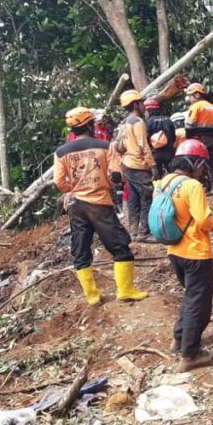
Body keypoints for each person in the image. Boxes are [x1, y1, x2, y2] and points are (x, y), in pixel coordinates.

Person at [55, 107, 148, 306]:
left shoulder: (61, 152)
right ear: (90, 125)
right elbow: (115, 176)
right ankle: (125, 290)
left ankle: (92, 297)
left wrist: (74, 187)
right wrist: (106, 183)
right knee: (120, 247)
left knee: (80, 251)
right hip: (99, 204)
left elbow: (59, 183)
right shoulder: (106, 146)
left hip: (76, 205)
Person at [158, 139, 213, 373]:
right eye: (202, 166)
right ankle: (190, 355)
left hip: (174, 250)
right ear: (194, 162)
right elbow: (204, 221)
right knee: (199, 303)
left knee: (190, 296)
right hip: (195, 252)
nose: (203, 171)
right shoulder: (192, 186)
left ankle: (178, 339)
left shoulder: (164, 183)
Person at [116, 89, 156, 242]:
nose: (144, 105)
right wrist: (152, 165)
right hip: (138, 164)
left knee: (133, 197)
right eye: (141, 102)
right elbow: (143, 146)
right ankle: (144, 233)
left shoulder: (123, 124)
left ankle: (133, 231)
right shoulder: (138, 122)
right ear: (136, 104)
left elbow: (119, 147)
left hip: (127, 164)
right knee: (147, 197)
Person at [183, 83, 213, 191]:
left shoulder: (196, 106)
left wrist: (188, 138)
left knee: (196, 164)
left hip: (198, 140)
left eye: (190, 96)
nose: (189, 99)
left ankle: (200, 187)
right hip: (212, 140)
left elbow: (189, 125)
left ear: (197, 95)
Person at [144, 98, 176, 181]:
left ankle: (159, 192)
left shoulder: (148, 122)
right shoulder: (168, 120)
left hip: (155, 154)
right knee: (174, 174)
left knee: (158, 177)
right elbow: (174, 136)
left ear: (149, 110)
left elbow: (145, 139)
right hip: (169, 152)